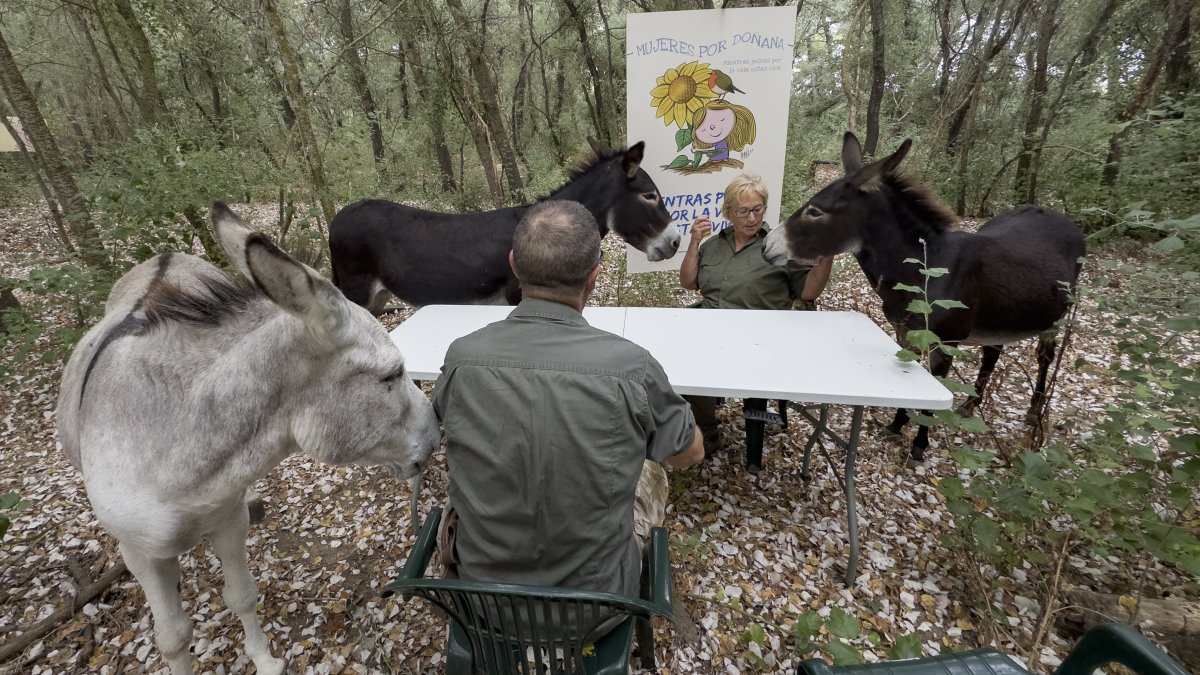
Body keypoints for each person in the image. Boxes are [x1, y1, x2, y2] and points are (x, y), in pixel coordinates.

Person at [433, 200, 704, 599]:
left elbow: (438, 427)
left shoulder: (461, 357)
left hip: (481, 600)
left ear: (513, 263)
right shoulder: (633, 369)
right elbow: (691, 452)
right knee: (652, 471)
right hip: (598, 607)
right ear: (594, 275)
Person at [678, 172, 834, 450]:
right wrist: (694, 242)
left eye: (758, 209)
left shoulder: (779, 246)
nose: (752, 218)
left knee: (696, 359)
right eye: (743, 211)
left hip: (758, 342)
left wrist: (826, 255)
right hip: (708, 331)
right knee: (677, 355)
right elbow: (689, 282)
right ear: (728, 213)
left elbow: (809, 291)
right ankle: (697, 426)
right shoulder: (714, 245)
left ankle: (706, 432)